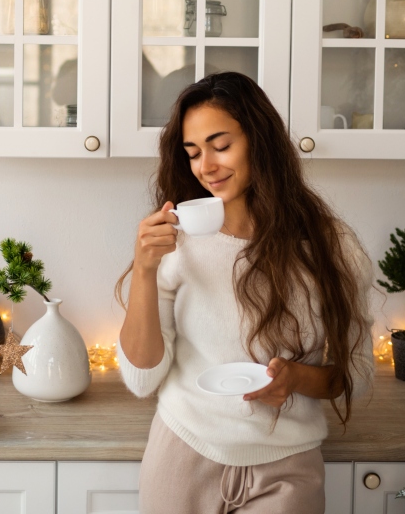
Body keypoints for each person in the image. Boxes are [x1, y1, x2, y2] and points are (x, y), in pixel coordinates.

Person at [115, 72, 376, 514]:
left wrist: (296, 379)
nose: (206, 166)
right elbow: (142, 379)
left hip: (287, 469)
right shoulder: (175, 242)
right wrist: (144, 269)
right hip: (183, 451)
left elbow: (357, 373)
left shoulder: (332, 246)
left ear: (260, 139)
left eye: (221, 145)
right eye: (193, 152)